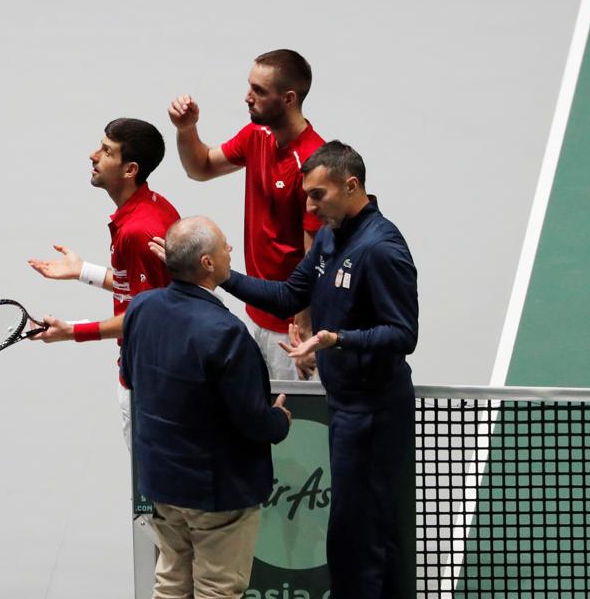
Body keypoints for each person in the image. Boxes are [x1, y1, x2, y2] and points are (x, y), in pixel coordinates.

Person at [217, 141, 417, 599]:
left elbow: (403, 334)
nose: (308, 206)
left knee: (356, 538)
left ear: (352, 186)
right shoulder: (330, 236)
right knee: (364, 532)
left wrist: (338, 339)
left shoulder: (382, 249)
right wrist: (224, 277)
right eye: (306, 194)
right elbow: (290, 296)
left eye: (317, 195)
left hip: (374, 411)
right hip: (346, 404)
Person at [122, 216, 291, 599]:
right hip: (216, 494)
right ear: (207, 263)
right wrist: (279, 420)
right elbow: (252, 419)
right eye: (225, 246)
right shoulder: (226, 332)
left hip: (162, 483)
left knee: (171, 582)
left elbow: (132, 379)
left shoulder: (141, 309)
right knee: (218, 589)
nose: (231, 250)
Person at [167, 49, 325, 381]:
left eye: (259, 91)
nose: (247, 98)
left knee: (296, 427)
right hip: (257, 315)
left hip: (292, 330)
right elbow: (201, 167)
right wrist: (187, 129)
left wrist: (304, 330)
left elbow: (314, 258)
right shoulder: (257, 136)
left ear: (288, 98)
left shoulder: (313, 163)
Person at [26, 118, 180, 443]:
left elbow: (147, 317)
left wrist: (72, 332)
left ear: (130, 170)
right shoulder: (154, 207)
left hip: (154, 381)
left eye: (106, 151)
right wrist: (83, 271)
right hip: (154, 372)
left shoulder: (139, 231)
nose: (93, 156)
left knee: (153, 490)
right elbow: (151, 292)